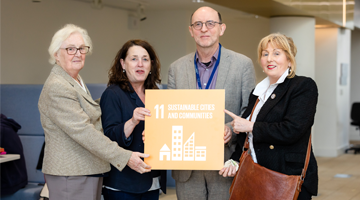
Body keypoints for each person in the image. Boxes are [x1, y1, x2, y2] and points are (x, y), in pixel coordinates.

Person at [38, 24, 151, 200]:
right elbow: (85, 132)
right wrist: (125, 157)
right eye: (70, 49)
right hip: (71, 174)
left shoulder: (74, 80)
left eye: (81, 49)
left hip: (87, 171)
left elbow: (86, 108)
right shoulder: (58, 86)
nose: (78, 53)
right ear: (55, 54)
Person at [168, 6, 256, 200]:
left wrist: (230, 129)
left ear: (221, 29)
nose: (204, 29)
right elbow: (171, 113)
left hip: (225, 163)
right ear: (191, 31)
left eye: (210, 23)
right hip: (187, 166)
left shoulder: (242, 65)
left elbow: (249, 111)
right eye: (198, 24)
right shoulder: (176, 68)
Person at [220, 33, 318, 199]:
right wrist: (235, 160)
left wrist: (250, 126)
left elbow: (293, 129)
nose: (269, 59)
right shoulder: (258, 92)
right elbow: (247, 134)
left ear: (289, 58)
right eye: (265, 54)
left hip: (284, 178)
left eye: (276, 53)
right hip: (255, 176)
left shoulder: (302, 86)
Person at [100, 39, 166, 200]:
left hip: (152, 180)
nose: (140, 64)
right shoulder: (112, 94)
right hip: (123, 184)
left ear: (151, 65)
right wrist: (132, 121)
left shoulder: (156, 94)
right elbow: (107, 137)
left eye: (145, 59)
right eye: (134, 59)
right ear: (123, 64)